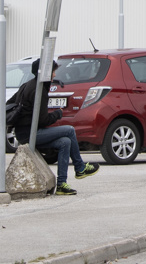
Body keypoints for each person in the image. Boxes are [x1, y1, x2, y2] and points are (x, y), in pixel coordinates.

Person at [10, 59, 98, 195]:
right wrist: (58, 113)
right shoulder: (39, 91)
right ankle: (80, 167)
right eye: (53, 72)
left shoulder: (28, 85)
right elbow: (43, 121)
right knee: (69, 130)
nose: (55, 75)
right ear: (45, 73)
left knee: (65, 142)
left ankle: (62, 184)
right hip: (30, 134)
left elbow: (12, 103)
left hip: (24, 132)